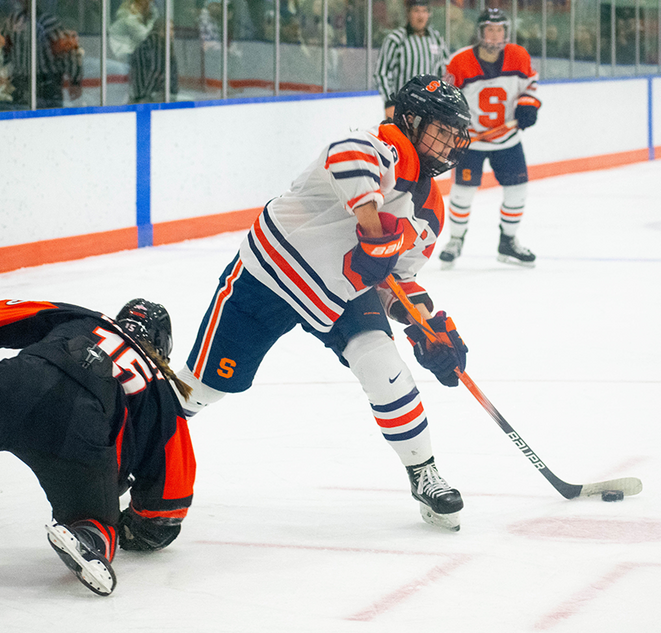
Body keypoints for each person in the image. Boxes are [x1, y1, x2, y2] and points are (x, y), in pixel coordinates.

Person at [177, 75, 473, 531]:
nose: (451, 143)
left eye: (457, 134)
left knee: (381, 361)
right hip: (272, 272)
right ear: (411, 120)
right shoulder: (382, 144)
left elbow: (395, 281)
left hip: (340, 293)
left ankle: (423, 472)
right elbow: (347, 153)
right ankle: (132, 439)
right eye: (442, 129)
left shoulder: (430, 209)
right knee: (200, 389)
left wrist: (428, 327)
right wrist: (373, 229)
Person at [0, 298, 196, 596]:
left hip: (14, 384)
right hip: (77, 433)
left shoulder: (85, 318)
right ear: (164, 348)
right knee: (96, 523)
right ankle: (88, 537)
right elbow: (170, 491)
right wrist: (140, 530)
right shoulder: (160, 388)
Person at [440, 8, 541, 267]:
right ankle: (456, 239)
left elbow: (530, 83)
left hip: (507, 140)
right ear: (480, 32)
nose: (496, 35)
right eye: (490, 29)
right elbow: (447, 99)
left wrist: (528, 104)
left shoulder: (519, 56)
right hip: (471, 142)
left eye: (500, 29)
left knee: (517, 191)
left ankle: (508, 241)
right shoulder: (459, 61)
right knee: (462, 193)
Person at [0, 0, 83, 111]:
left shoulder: (50, 23)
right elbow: (2, 52)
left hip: (48, 85)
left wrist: (75, 80)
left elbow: (69, 54)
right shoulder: (14, 21)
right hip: (19, 84)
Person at [374, 0, 449, 120]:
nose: (420, 15)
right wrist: (390, 102)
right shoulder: (396, 39)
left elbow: (445, 71)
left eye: (424, 11)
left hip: (430, 108)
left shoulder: (437, 39)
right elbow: (382, 73)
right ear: (408, 13)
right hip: (403, 108)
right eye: (416, 11)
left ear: (429, 14)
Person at [128, 16, 179, 104]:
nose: (172, 33)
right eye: (170, 29)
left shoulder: (160, 44)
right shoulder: (156, 44)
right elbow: (155, 69)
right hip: (150, 98)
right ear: (161, 29)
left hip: (148, 95)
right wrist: (143, 96)